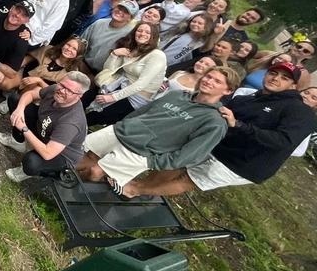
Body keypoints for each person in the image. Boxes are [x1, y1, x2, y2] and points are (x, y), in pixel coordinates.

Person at [115, 62, 317, 198]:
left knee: (189, 179)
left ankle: (135, 190)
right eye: (273, 73)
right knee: (178, 162)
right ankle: (142, 185)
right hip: (219, 144)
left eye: (284, 77)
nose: (276, 78)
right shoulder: (249, 97)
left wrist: (239, 125)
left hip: (243, 163)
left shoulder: (299, 111)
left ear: (293, 84)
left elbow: (283, 141)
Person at [76, 67, 240, 196]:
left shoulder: (215, 121)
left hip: (142, 153)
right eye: (209, 76)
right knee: (83, 156)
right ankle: (55, 176)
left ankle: (67, 192)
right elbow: (145, 110)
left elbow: (191, 154)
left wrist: (153, 162)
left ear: (227, 91)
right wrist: (125, 124)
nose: (209, 81)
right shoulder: (177, 95)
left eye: (217, 82)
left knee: (94, 173)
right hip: (120, 132)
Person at [0, 72, 91, 182]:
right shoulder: (55, 89)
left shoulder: (71, 122)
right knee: (15, 100)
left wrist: (24, 128)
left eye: (69, 90)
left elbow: (48, 153)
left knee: (31, 162)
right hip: (46, 130)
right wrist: (20, 109)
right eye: (62, 85)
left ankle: (32, 171)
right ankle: (18, 142)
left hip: (61, 155)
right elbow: (31, 94)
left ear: (79, 96)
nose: (61, 90)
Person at [85, 22, 167, 127]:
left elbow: (141, 84)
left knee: (91, 118)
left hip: (135, 97)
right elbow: (109, 69)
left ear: (154, 37)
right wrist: (114, 54)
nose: (142, 34)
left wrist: (114, 97)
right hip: (119, 84)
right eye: (139, 30)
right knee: (85, 98)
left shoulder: (157, 55)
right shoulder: (132, 49)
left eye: (148, 32)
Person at [0, 37, 88, 114]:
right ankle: (12, 90)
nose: (69, 49)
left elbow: (56, 90)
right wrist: (13, 69)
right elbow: (28, 58)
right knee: (3, 83)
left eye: (74, 49)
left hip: (36, 88)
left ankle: (12, 101)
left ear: (78, 55)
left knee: (38, 89)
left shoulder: (72, 72)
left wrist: (39, 80)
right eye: (68, 45)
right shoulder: (49, 50)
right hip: (23, 75)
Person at [80, 0, 137, 75]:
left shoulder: (131, 35)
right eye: (119, 8)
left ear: (131, 18)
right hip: (82, 65)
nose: (120, 12)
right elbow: (82, 43)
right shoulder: (99, 23)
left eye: (126, 11)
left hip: (103, 75)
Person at [155, 56, 224, 99]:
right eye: (200, 61)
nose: (201, 64)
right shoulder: (179, 73)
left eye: (207, 65)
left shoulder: (202, 87)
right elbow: (163, 83)